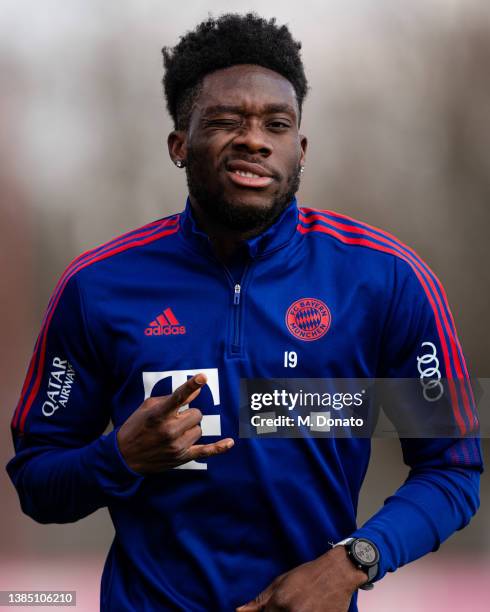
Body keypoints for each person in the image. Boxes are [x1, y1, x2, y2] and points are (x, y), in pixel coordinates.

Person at [7, 13, 482, 612]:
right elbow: (36, 481)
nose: (254, 139)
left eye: (276, 125)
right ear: (180, 145)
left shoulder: (386, 279)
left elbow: (454, 469)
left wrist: (349, 565)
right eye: (226, 121)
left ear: (300, 149)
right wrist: (118, 457)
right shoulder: (97, 286)